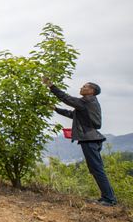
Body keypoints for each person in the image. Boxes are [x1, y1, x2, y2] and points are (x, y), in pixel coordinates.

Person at [43, 78, 117, 206]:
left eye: (84, 86)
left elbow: (66, 98)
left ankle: (109, 199)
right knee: (96, 169)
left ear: (91, 91)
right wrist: (55, 109)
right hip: (92, 139)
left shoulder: (87, 101)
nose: (81, 88)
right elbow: (72, 115)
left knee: (97, 169)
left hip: (89, 139)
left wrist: (51, 86)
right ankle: (107, 197)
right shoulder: (89, 103)